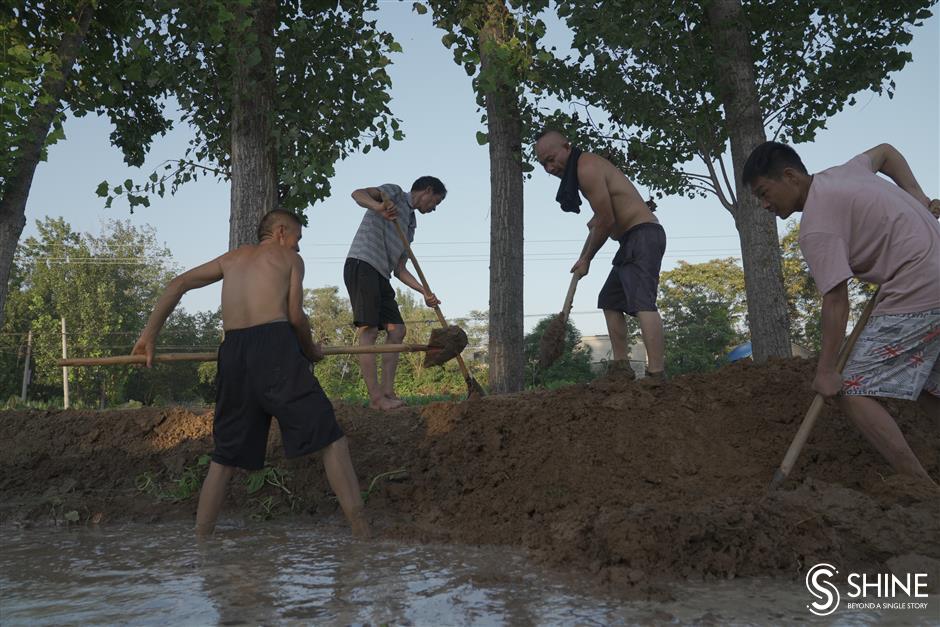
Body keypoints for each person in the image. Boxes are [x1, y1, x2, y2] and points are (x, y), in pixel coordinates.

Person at [132, 209, 369, 537]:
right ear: (282, 232)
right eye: (298, 240)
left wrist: (148, 337)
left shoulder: (232, 259)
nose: (298, 249)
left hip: (232, 352)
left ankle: (201, 541)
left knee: (225, 456)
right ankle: (363, 535)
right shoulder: (289, 260)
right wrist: (311, 350)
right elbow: (296, 317)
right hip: (274, 346)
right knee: (330, 438)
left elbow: (178, 284)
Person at [743, 141, 940, 483]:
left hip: (919, 287)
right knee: (927, 382)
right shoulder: (846, 171)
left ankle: (921, 489)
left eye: (764, 192)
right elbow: (886, 152)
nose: (764, 205)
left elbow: (835, 300)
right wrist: (917, 196)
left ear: (790, 176)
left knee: (852, 388)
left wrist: (826, 369)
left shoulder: (817, 227)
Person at [534, 129, 666, 380]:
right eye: (543, 164)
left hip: (643, 235)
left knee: (642, 304)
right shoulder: (583, 169)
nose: (549, 168)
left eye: (551, 159)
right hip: (630, 239)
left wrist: (587, 259)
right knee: (610, 299)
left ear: (567, 147)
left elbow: (607, 220)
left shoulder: (586, 169)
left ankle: (656, 375)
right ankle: (620, 368)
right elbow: (605, 215)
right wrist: (593, 233)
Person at [346, 176, 446, 410]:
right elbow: (357, 193)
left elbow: (400, 269)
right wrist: (379, 206)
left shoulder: (410, 226)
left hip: (382, 273)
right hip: (362, 264)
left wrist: (424, 292)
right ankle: (376, 399)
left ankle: (388, 392)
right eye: (436, 202)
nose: (434, 209)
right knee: (369, 330)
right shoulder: (394, 193)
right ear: (428, 190)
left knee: (397, 330)